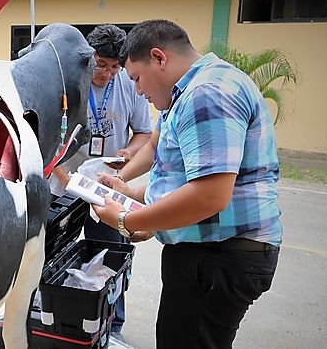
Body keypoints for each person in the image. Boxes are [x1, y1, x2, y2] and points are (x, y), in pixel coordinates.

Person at [92, 19, 281, 348]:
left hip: (219, 255)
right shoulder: (185, 92)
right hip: (209, 253)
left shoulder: (206, 93)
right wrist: (126, 187)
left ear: (159, 58)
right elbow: (156, 147)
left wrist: (127, 219)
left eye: (137, 78)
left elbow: (209, 195)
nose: (137, 90)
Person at [51, 24, 152, 335]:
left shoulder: (128, 85)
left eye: (114, 67)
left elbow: (145, 133)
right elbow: (46, 136)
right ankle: (52, 316)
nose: (107, 74)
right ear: (88, 57)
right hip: (64, 185)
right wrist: (60, 173)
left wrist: (129, 152)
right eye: (101, 65)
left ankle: (112, 322)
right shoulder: (66, 82)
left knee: (111, 251)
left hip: (106, 185)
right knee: (53, 253)